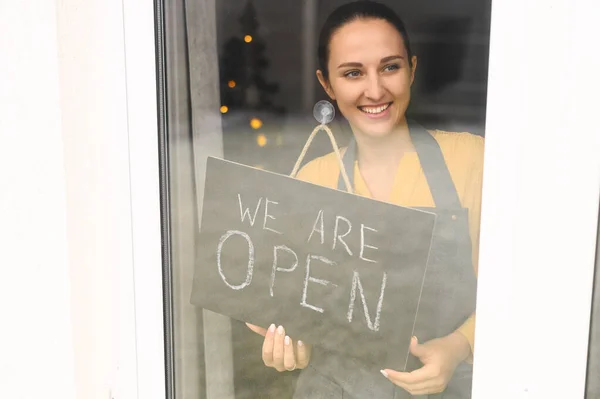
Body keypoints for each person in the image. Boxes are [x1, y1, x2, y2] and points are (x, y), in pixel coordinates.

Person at [247, 1, 484, 397]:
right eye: (353, 73)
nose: (375, 90)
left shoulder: (472, 160)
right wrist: (291, 344)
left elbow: (520, 285)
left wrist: (460, 346)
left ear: (412, 68)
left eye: (390, 67)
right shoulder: (311, 181)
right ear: (327, 85)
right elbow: (305, 317)